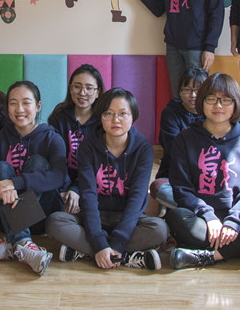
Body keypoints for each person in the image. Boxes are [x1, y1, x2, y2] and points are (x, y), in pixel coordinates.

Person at [166, 73, 240, 269]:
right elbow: (181, 188)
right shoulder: (185, 139)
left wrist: (233, 221)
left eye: (226, 100)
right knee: (175, 217)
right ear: (202, 102)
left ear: (236, 103)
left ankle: (209, 256)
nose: (218, 106)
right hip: (202, 219)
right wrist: (208, 216)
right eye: (211, 99)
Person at [46, 88, 168, 270]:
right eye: (108, 113)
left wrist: (118, 241)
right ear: (100, 117)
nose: (115, 120)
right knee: (55, 222)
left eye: (122, 114)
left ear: (133, 116)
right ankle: (124, 256)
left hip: (126, 217)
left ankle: (89, 252)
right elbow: (88, 195)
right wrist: (98, 241)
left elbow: (137, 199)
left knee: (160, 230)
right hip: (94, 216)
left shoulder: (143, 149)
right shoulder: (88, 147)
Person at [0, 81, 67, 275]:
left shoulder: (52, 138)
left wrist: (15, 183)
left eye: (26, 103)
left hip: (43, 215)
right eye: (13, 103)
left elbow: (59, 176)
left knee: (37, 163)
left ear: (38, 106)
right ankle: (23, 244)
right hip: (4, 215)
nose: (19, 109)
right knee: (1, 167)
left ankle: (13, 243)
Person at [47, 64, 105, 216]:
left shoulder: (104, 122)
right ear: (70, 89)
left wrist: (76, 189)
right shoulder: (58, 118)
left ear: (98, 92)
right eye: (77, 87)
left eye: (89, 88)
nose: (82, 93)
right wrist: (65, 188)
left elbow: (99, 164)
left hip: (92, 180)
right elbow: (56, 158)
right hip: (61, 178)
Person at [150, 68, 209, 215]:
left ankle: (186, 207)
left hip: (206, 177)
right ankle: (200, 208)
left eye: (198, 90)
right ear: (180, 92)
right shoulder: (170, 113)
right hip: (174, 175)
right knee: (159, 187)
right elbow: (174, 149)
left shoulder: (212, 114)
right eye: (187, 90)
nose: (193, 95)